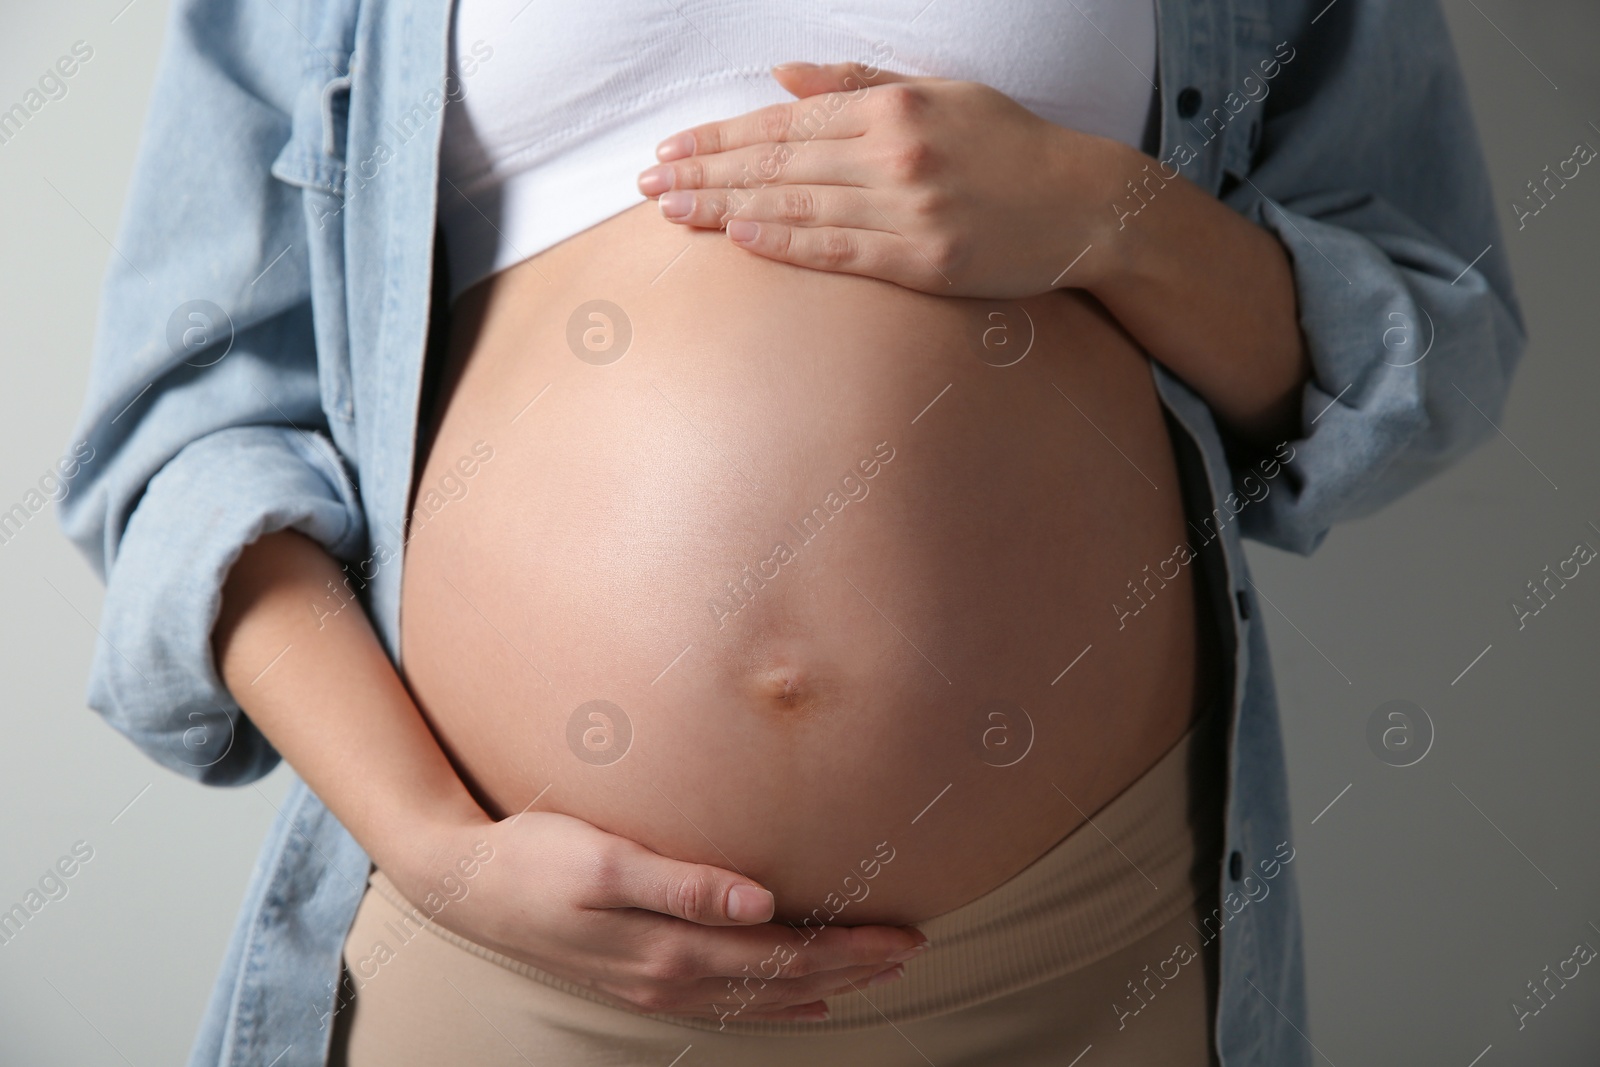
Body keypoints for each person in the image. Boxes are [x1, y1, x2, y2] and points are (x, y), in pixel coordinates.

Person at [58, 0, 1523, 1064]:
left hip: (1072, 949)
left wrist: (1112, 214)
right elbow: (187, 439)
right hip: (518, 957)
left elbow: (1431, 339)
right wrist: (437, 852)